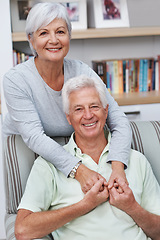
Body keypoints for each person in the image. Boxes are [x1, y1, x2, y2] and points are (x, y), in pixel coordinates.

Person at [3, 2, 131, 192]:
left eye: (60, 32)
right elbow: (34, 137)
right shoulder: (15, 80)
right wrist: (79, 170)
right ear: (31, 39)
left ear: (69, 36)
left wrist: (118, 167)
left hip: (72, 147)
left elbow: (118, 120)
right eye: (43, 33)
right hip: (25, 150)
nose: (53, 40)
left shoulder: (82, 71)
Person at [15, 75, 160, 240]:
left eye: (94, 106)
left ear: (106, 111)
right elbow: (22, 230)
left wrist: (132, 207)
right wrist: (85, 205)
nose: (88, 115)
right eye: (78, 109)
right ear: (68, 118)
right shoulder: (48, 165)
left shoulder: (137, 160)